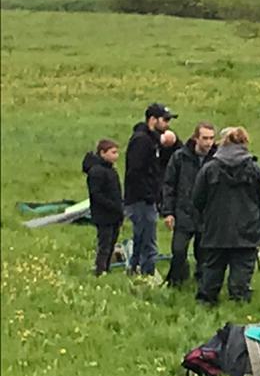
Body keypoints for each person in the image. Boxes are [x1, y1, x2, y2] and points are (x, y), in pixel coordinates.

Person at [191, 126, 260, 305]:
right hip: (247, 230)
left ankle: (206, 302)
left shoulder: (209, 169)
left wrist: (206, 220)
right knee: (242, 272)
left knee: (212, 269)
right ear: (245, 143)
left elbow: (197, 199)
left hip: (216, 229)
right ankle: (239, 304)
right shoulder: (256, 171)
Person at [122, 103, 178, 276]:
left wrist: (172, 143)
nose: (167, 124)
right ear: (153, 120)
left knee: (141, 238)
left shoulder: (152, 140)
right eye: (165, 120)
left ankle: (134, 270)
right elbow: (136, 171)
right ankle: (148, 274)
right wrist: (149, 194)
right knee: (148, 241)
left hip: (146, 198)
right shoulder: (142, 141)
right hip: (141, 200)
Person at [160, 121, 215, 287]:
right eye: (205, 138)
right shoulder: (180, 157)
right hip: (184, 212)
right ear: (196, 138)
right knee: (178, 250)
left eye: (211, 138)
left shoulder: (217, 159)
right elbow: (169, 185)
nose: (208, 142)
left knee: (204, 254)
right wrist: (168, 212)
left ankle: (201, 284)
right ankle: (177, 282)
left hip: (207, 214)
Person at [83, 139, 123, 276]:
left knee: (112, 242)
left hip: (115, 214)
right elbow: (96, 194)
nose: (116, 156)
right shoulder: (96, 172)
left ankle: (107, 267)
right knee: (104, 244)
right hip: (103, 215)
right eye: (113, 152)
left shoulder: (111, 170)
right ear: (102, 153)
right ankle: (100, 270)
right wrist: (112, 205)